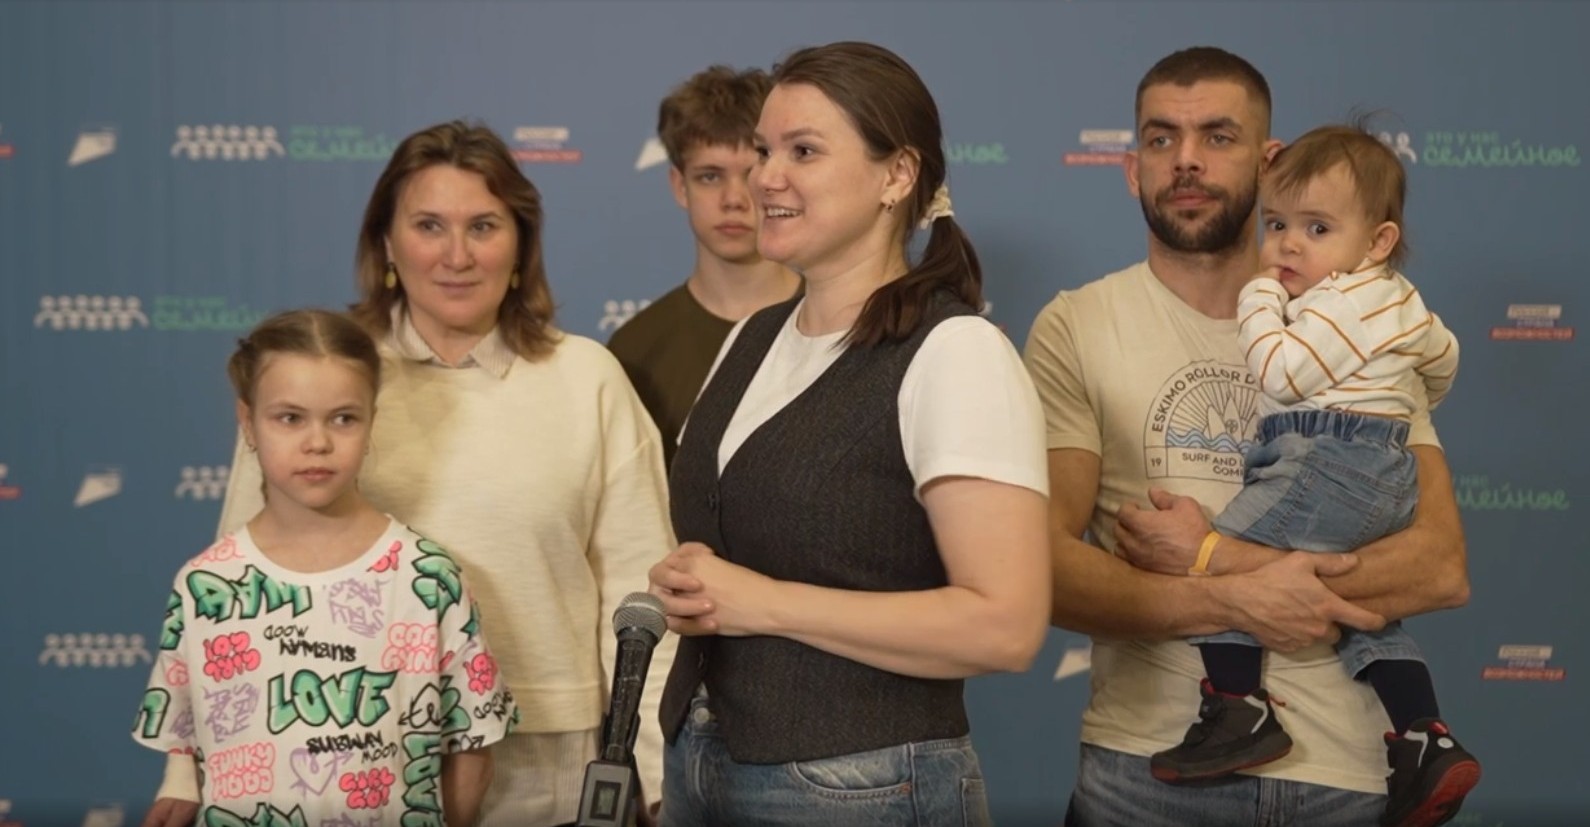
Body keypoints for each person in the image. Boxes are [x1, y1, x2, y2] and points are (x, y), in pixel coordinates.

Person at [142, 122, 677, 827]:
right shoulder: (326, 376)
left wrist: (657, 775)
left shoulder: (588, 379)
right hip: (355, 760)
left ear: (520, 244)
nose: (457, 255)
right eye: (429, 226)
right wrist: (183, 768)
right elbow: (237, 588)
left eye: (483, 226)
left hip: (550, 768)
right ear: (387, 244)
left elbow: (642, 598)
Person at [1021, 48, 1472, 827]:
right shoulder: (1077, 325)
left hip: (1352, 776)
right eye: (1161, 139)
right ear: (1131, 169)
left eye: (1218, 136)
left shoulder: (1363, 318)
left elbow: (1439, 566)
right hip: (1144, 774)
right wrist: (1232, 595)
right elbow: (1049, 570)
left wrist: (1210, 558)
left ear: (1271, 163)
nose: (1186, 160)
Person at [646, 41, 1051, 826]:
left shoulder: (955, 352)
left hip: (862, 786)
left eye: (803, 151)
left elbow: (1006, 626)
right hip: (700, 765)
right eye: (764, 150)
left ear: (896, 175)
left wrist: (764, 602)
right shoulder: (751, 337)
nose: (764, 177)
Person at [1146, 121, 1480, 825]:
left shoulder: (1341, 301)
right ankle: (1425, 738)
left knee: (1216, 565)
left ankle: (1240, 708)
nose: (1289, 244)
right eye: (1277, 225)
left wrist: (1258, 296)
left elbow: (1280, 372)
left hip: (1329, 458)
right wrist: (1396, 395)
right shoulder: (1399, 300)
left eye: (1318, 228)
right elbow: (1444, 357)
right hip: (1383, 466)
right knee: (1369, 617)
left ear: (1378, 242)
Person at [133, 309, 516, 826]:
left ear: (371, 420)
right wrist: (179, 781)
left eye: (343, 418)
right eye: (290, 418)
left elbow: (472, 749)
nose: (317, 443)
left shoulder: (427, 578)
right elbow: (184, 729)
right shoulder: (206, 585)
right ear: (248, 422)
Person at [608, 64, 801, 468]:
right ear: (680, 186)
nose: (734, 199)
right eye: (710, 177)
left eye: (751, 173)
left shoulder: (838, 324)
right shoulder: (634, 351)